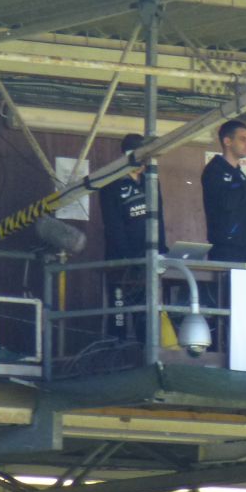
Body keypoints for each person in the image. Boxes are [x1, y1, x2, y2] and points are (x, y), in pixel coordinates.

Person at [101, 132, 168, 341]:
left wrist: (162, 251)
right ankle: (115, 356)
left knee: (144, 318)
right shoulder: (111, 183)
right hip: (122, 262)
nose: (145, 162)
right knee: (118, 317)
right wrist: (127, 259)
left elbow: (159, 218)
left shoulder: (151, 181)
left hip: (147, 260)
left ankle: (143, 359)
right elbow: (113, 226)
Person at [202, 119, 246, 263]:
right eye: (243, 139)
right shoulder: (214, 169)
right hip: (226, 247)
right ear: (227, 141)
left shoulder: (239, 174)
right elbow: (226, 203)